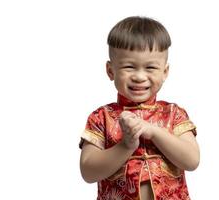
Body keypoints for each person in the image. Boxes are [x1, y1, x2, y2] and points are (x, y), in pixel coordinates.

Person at [79, 16, 200, 200]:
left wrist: (153, 131)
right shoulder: (101, 117)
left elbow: (191, 160)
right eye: (129, 67)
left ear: (164, 72)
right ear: (111, 71)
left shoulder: (174, 114)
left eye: (150, 67)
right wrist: (126, 146)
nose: (139, 76)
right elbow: (88, 171)